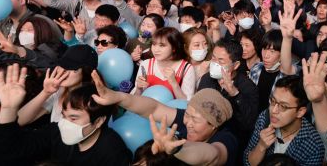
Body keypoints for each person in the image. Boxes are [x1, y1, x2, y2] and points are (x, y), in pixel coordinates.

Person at [91, 71, 239, 166]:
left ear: (214, 125)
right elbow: (154, 108)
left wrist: (177, 148)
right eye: (188, 114)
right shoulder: (185, 118)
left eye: (196, 120)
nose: (188, 123)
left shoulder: (227, 139)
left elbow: (212, 155)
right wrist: (117, 97)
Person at [0, 64, 131, 165]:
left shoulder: (112, 151)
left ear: (99, 121)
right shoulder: (55, 132)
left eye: (73, 118)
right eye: (64, 115)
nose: (65, 123)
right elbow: (10, 152)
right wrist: (8, 109)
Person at [245, 75, 324, 166]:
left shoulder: (314, 145)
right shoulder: (264, 119)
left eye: (283, 106)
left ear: (300, 112)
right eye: (273, 101)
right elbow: (247, 162)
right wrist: (261, 146)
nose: (273, 111)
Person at [132, 27, 195, 100]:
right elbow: (134, 101)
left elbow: (187, 104)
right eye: (154, 44)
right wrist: (138, 89)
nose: (156, 49)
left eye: (162, 45)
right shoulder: (146, 64)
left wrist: (174, 84)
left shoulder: (186, 68)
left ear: (174, 48)